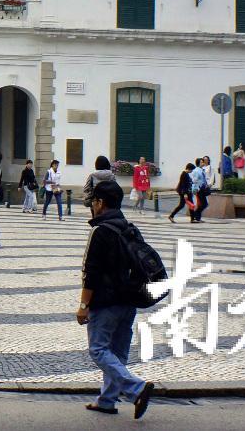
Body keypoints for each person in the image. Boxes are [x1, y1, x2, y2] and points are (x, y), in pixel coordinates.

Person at [78, 179, 156, 419]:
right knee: (118, 353)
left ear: (100, 203)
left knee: (99, 350)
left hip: (106, 301)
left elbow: (91, 272)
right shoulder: (129, 228)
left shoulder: (100, 231)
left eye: (93, 202)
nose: (92, 206)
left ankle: (137, 388)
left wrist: (83, 306)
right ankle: (107, 400)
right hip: (129, 300)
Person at [189, 156, 216, 222]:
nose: (203, 163)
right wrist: (195, 189)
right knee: (202, 204)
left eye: (203, 162)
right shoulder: (196, 171)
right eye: (201, 162)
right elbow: (194, 181)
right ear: (198, 163)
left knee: (204, 204)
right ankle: (196, 216)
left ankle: (197, 216)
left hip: (203, 188)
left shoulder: (202, 170)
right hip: (199, 189)